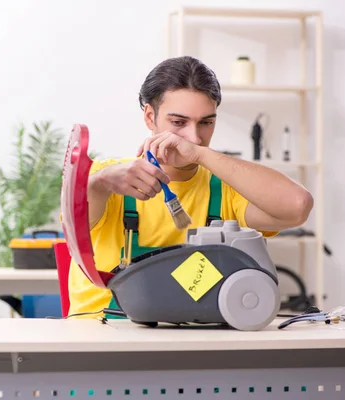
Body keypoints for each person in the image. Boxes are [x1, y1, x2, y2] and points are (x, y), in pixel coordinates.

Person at [67, 56, 314, 318]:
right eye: (178, 123)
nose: (195, 137)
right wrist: (100, 182)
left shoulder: (225, 190)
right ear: (150, 117)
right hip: (102, 337)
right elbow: (79, 213)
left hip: (195, 339)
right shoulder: (102, 177)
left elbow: (297, 205)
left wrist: (201, 155)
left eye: (206, 123)